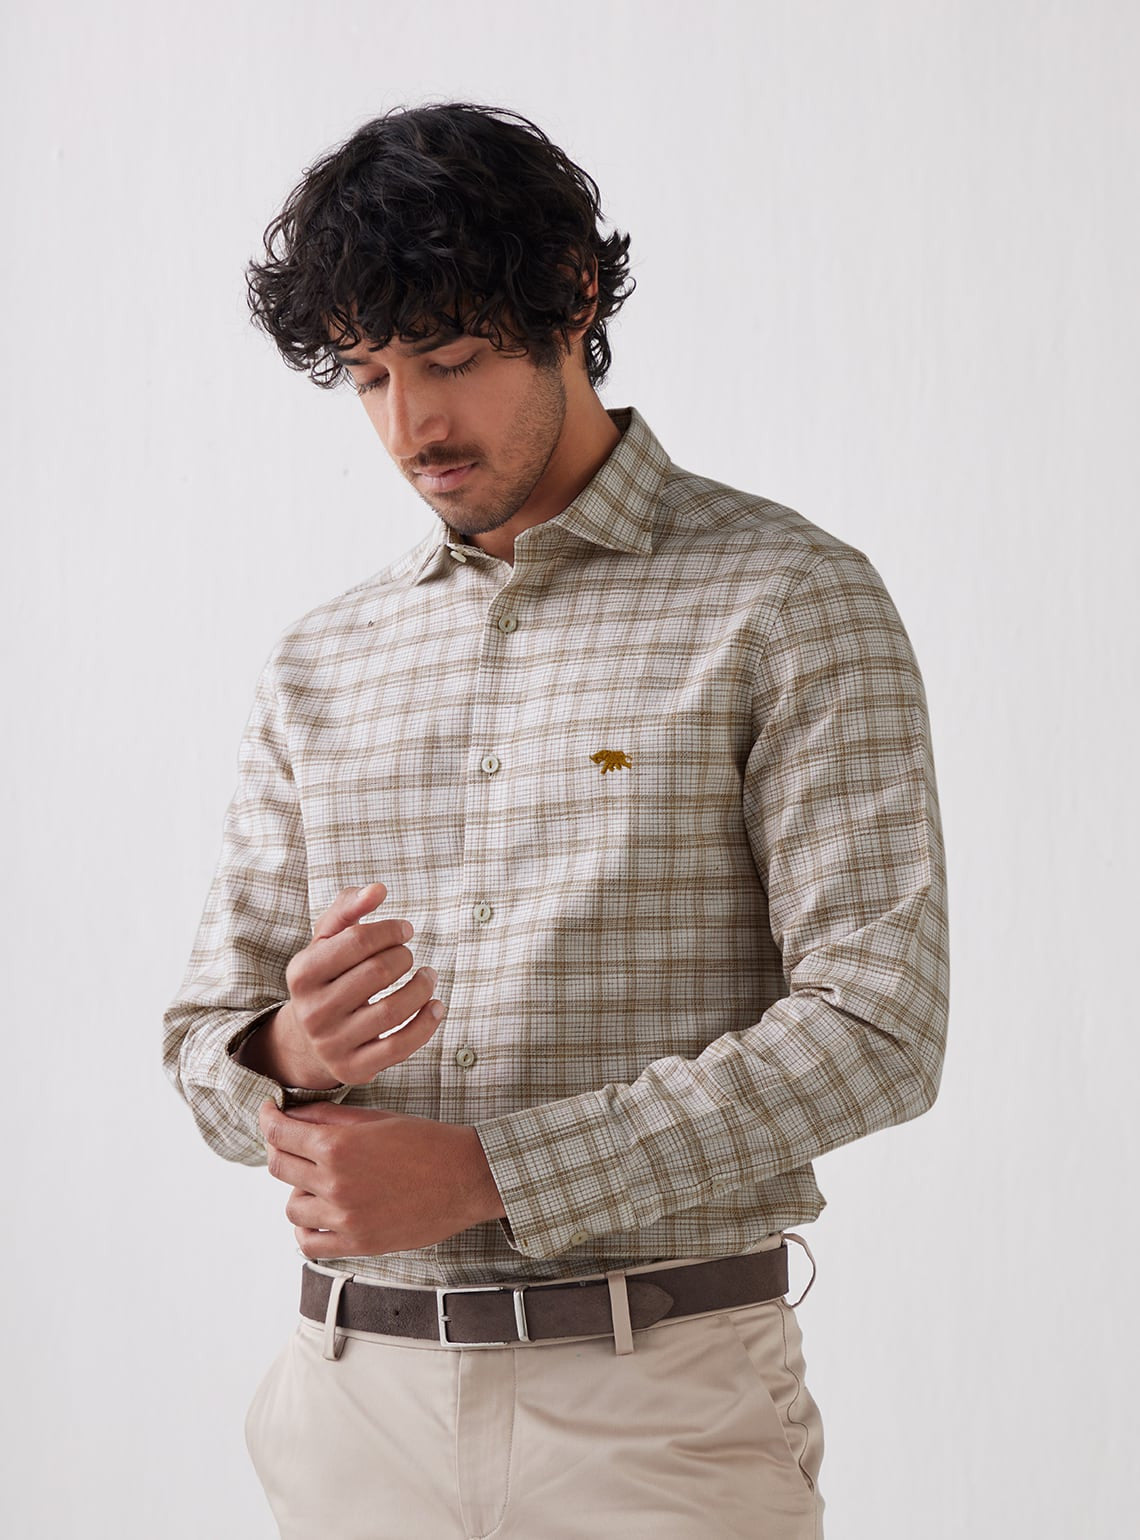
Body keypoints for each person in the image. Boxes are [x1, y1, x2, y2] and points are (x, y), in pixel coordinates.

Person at [163, 100, 949, 1540]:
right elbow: (201, 1040)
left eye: (452, 360)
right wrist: (288, 1054)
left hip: (654, 1408)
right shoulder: (322, 658)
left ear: (574, 300)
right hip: (351, 1408)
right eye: (369, 375)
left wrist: (489, 1175)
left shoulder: (786, 598)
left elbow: (879, 1027)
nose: (412, 425)